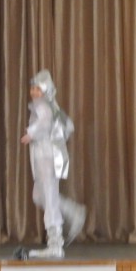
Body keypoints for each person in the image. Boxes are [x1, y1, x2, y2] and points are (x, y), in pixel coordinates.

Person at [20, 69, 86, 259]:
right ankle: (73, 211)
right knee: (39, 195)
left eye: (38, 89)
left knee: (48, 196)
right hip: (45, 155)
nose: (34, 92)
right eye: (32, 88)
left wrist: (31, 134)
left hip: (46, 156)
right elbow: (67, 125)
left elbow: (46, 122)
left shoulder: (45, 106)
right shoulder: (49, 105)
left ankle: (55, 243)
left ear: (46, 90)